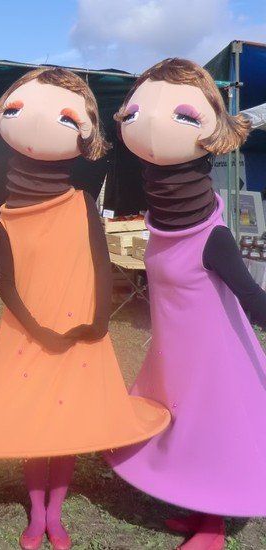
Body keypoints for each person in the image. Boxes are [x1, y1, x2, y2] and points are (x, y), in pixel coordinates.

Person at [0, 67, 170, 550]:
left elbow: (101, 264)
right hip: (29, 334)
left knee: (68, 424)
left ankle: (54, 514)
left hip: (80, 332)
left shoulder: (81, 203)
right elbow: (7, 284)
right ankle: (37, 514)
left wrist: (98, 321)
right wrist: (37, 330)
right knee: (35, 425)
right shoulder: (10, 215)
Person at [105, 57, 265, 550]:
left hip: (211, 358)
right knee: (178, 425)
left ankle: (212, 527)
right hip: (172, 350)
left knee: (207, 430)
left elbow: (252, 298)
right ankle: (197, 506)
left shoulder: (212, 237)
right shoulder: (160, 222)